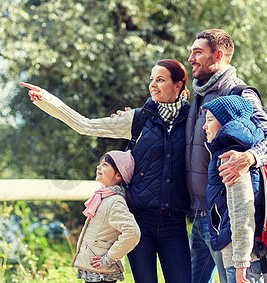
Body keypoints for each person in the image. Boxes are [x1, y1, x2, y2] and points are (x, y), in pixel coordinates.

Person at [20, 59, 192, 282]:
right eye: (151, 79)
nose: (153, 85)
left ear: (178, 85)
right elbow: (86, 126)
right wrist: (47, 100)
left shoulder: (194, 119)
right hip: (140, 220)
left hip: (174, 222)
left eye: (160, 80)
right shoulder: (137, 118)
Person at [186, 29, 267, 283]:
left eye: (197, 52)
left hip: (229, 218)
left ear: (218, 55)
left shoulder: (240, 94)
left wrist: (249, 157)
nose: (190, 59)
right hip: (200, 217)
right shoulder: (198, 94)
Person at [202, 95, 267, 283]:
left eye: (210, 120)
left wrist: (240, 263)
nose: (204, 127)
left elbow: (241, 211)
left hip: (241, 256)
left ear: (225, 122)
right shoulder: (243, 148)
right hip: (251, 251)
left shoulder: (231, 156)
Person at [72, 150, 141, 283]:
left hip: (101, 271)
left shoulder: (115, 201)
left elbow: (132, 232)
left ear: (118, 175)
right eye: (100, 164)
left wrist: (109, 258)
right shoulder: (103, 196)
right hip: (95, 269)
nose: (99, 167)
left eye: (105, 165)